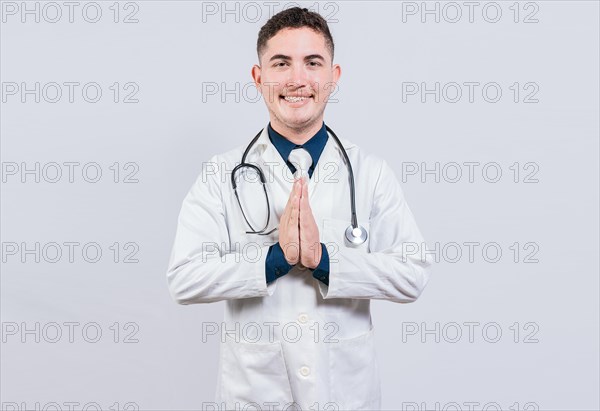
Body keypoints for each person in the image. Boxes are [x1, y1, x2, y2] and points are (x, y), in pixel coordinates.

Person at [166, 7, 431, 410]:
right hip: (256, 392)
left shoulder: (371, 173)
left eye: (312, 63)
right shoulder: (219, 175)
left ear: (333, 77)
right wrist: (276, 259)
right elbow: (184, 278)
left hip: (345, 394)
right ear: (258, 78)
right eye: (280, 63)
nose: (297, 79)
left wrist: (323, 260)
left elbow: (412, 274)